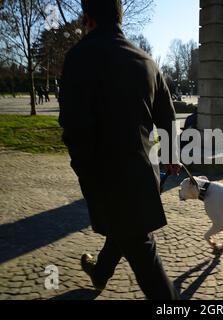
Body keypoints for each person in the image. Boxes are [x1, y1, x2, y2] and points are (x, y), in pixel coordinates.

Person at [58, 0, 180, 300]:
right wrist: (171, 155)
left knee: (141, 249)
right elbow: (168, 118)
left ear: (87, 18)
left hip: (105, 177)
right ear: (120, 18)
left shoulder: (78, 57)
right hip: (143, 174)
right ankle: (100, 273)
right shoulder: (147, 62)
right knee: (126, 228)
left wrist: (83, 170)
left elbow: (72, 126)